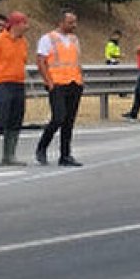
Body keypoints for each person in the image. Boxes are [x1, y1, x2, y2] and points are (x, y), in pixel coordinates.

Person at [35, 9, 85, 167]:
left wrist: (80, 80)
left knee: (69, 121)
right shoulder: (48, 38)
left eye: (75, 22)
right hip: (57, 83)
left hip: (74, 83)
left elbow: (76, 60)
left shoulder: (74, 39)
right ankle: (42, 147)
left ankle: (65, 155)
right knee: (58, 117)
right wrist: (48, 82)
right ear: (61, 23)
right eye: (70, 22)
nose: (74, 25)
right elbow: (41, 61)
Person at [0, 10, 30, 166]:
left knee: (16, 117)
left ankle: (9, 154)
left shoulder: (23, 42)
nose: (27, 26)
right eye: (24, 23)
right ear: (15, 24)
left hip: (18, 82)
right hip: (1, 82)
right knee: (0, 117)